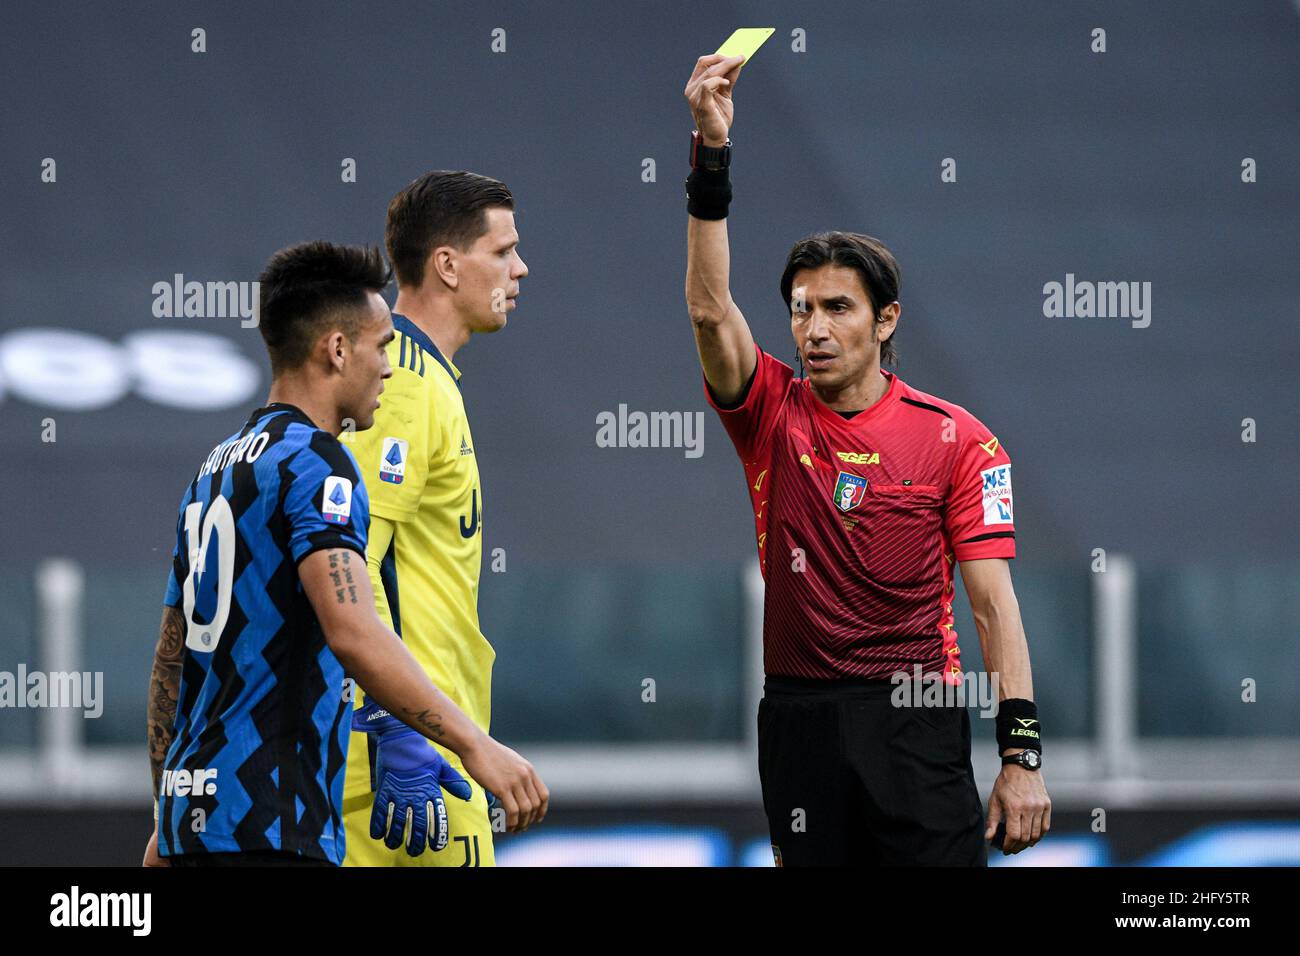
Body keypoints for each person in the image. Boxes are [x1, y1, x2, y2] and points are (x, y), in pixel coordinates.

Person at [682, 54, 1050, 865]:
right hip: (800, 720)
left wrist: (1020, 758)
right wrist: (712, 156)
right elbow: (710, 310)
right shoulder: (771, 411)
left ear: (886, 321)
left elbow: (992, 607)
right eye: (800, 309)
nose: (813, 327)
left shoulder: (960, 438)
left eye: (837, 308)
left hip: (916, 719)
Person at [143, 240, 546, 867]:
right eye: (381, 346)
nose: (388, 367)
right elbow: (354, 631)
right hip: (276, 823)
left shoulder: (215, 470)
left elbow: (173, 659)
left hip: (198, 826)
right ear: (336, 349)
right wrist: (473, 744)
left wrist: (169, 820)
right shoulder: (318, 464)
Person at [340, 171, 529, 866]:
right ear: (447, 265)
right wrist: (400, 723)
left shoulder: (423, 376)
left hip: (424, 742)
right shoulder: (402, 383)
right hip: (408, 764)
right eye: (503, 250)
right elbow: (347, 560)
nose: (520, 268)